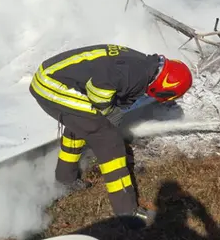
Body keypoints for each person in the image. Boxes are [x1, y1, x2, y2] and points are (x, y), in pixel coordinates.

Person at [28, 44, 193, 229]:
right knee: (108, 140)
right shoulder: (134, 74)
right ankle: (127, 213)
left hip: (48, 77)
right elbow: (98, 94)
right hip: (50, 86)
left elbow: (108, 82)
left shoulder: (143, 65)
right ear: (165, 87)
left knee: (81, 124)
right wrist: (113, 115)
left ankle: (65, 179)